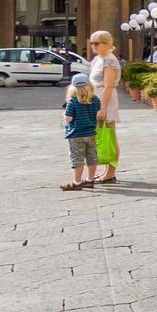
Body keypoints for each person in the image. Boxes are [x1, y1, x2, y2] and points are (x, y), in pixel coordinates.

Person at [86, 30, 122, 184]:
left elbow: (108, 86)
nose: (93, 46)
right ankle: (106, 171)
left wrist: (102, 107)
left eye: (96, 43)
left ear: (107, 44)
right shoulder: (98, 59)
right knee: (102, 135)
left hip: (105, 101)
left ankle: (111, 172)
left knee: (109, 136)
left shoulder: (109, 61)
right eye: (91, 43)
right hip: (96, 100)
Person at [61, 73, 101, 192]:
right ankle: (90, 180)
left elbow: (69, 118)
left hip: (76, 134)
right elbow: (97, 115)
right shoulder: (95, 100)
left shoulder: (72, 102)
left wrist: (63, 116)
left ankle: (77, 182)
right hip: (91, 133)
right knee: (92, 157)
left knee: (77, 159)